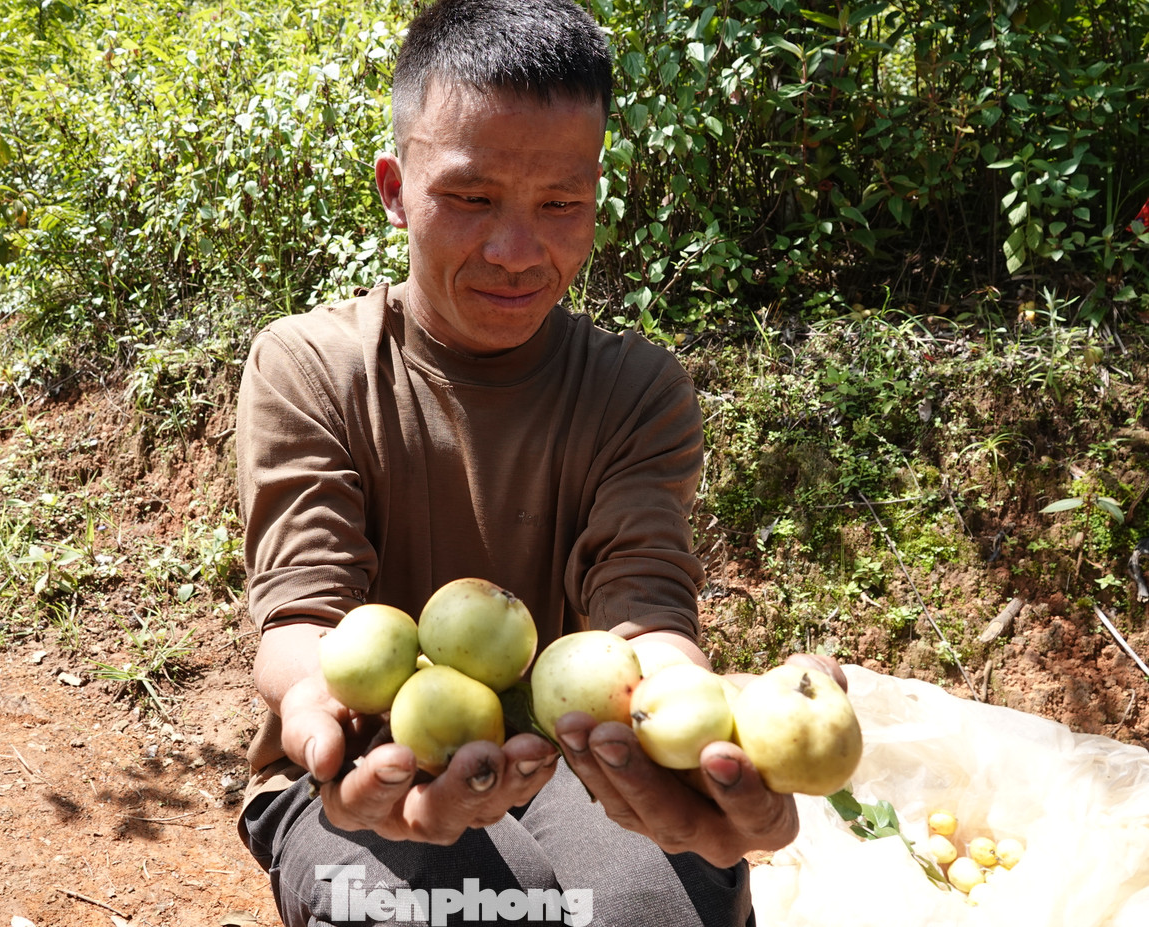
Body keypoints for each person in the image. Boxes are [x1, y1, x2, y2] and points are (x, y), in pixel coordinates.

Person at [235, 1, 841, 924]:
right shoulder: (312, 366)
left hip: (576, 751)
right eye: (472, 199)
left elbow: (643, 610)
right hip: (365, 759)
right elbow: (304, 609)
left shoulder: (638, 389)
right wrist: (321, 702)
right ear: (396, 188)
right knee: (433, 912)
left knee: (658, 910)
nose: (518, 254)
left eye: (562, 204)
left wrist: (689, 716)